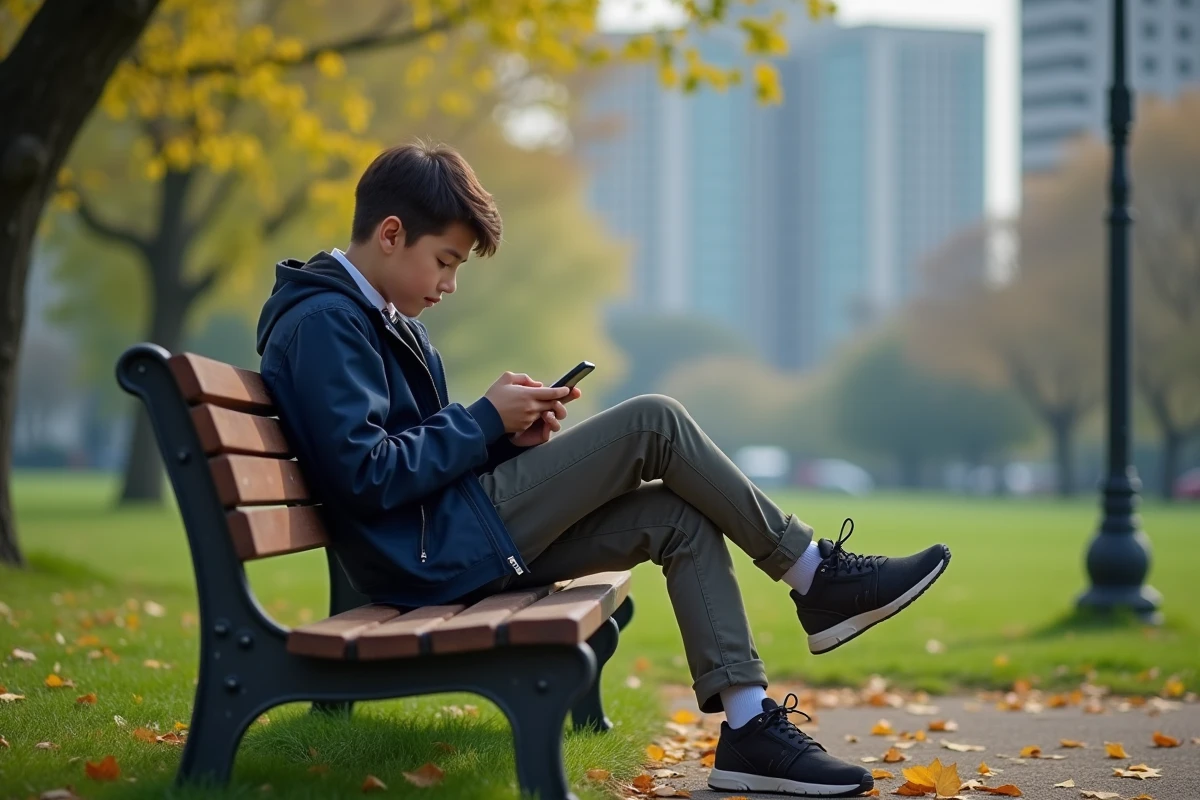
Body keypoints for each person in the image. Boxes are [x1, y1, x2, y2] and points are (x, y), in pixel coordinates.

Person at [256, 141, 952, 798]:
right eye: (445, 261)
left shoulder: (379, 319)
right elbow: (368, 475)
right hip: (427, 556)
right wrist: (483, 420)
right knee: (654, 421)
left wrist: (506, 441)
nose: (450, 285)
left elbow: (412, 459)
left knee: (677, 517)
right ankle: (816, 575)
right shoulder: (327, 324)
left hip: (445, 538)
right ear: (390, 234)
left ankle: (748, 727)